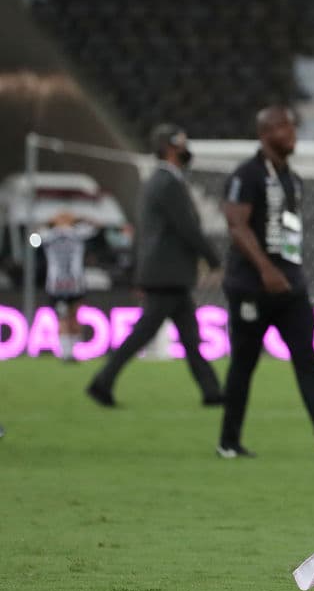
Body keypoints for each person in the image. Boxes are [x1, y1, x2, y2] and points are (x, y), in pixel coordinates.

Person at [217, 106, 314, 458]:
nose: (292, 133)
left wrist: (290, 272)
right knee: (243, 364)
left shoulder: (293, 179)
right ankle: (228, 442)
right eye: (284, 127)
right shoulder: (246, 175)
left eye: (292, 127)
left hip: (290, 289)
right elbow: (236, 225)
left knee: (306, 358)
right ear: (266, 132)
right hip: (251, 287)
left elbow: (288, 232)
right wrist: (265, 269)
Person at [86, 124, 223, 407]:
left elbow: (145, 232)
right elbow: (187, 227)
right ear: (170, 148)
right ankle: (102, 381)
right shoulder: (167, 183)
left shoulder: (156, 181)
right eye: (182, 145)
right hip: (167, 274)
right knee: (148, 333)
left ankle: (212, 392)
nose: (187, 151)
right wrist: (212, 258)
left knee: (188, 335)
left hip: (163, 273)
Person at [38, 211, 98, 362]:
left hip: (72, 285)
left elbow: (96, 227)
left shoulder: (73, 233)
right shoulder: (53, 235)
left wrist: (78, 218)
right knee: (64, 318)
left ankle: (71, 351)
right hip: (59, 286)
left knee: (72, 317)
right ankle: (66, 353)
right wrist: (79, 219)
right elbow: (35, 234)